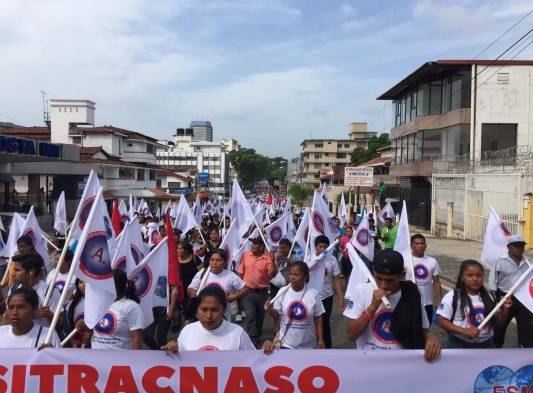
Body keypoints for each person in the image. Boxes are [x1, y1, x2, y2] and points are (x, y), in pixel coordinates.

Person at [344, 249, 441, 361]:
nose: (383, 285)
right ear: (373, 272)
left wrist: (431, 337)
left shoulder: (411, 292)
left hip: (402, 362)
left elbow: (423, 328)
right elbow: (351, 335)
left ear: (402, 275)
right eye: (379, 278)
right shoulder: (361, 290)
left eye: (390, 280)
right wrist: (372, 308)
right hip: (369, 361)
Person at [437, 260, 512, 348]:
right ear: (462, 277)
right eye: (470, 275)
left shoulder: (489, 297)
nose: (475, 279)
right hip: (459, 344)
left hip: (486, 345)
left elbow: (498, 323)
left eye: (479, 275)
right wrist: (464, 331)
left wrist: (505, 309)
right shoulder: (452, 296)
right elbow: (442, 321)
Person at [161, 286, 255, 352]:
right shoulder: (187, 331)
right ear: (197, 310)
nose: (209, 315)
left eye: (214, 310)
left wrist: (267, 352)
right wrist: (173, 349)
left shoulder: (238, 333)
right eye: (204, 309)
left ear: (223, 309)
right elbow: (180, 363)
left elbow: (254, 362)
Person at [263, 261, 325, 351]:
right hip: (286, 344)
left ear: (305, 276)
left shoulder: (313, 294)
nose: (292, 277)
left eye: (296, 275)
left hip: (308, 345)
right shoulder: (282, 292)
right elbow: (277, 315)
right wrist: (270, 310)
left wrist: (321, 338)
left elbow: (318, 317)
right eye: (291, 274)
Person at [489, 235, 533, 348]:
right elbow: (492, 281)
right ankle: (496, 348)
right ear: (509, 247)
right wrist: (495, 297)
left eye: (522, 245)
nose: (519, 248)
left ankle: (524, 350)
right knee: (500, 325)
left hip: (523, 298)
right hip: (505, 297)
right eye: (516, 246)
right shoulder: (499, 261)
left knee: (527, 328)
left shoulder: (529, 262)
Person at [188, 249, 248, 322]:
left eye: (218, 260)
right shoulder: (203, 273)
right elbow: (190, 289)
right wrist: (195, 296)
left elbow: (245, 289)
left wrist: (233, 297)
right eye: (212, 260)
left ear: (225, 263)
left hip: (224, 319)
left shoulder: (230, 275)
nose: (214, 262)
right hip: (203, 318)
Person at [237, 237, 277, 347]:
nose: (252, 246)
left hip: (262, 292)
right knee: (250, 316)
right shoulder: (245, 256)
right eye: (252, 244)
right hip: (247, 292)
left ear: (262, 247)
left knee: (260, 316)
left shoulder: (268, 257)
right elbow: (240, 272)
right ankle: (252, 340)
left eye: (255, 244)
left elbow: (272, 274)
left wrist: (273, 260)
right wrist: (240, 287)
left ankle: (257, 333)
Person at [91, 269, 144, 349]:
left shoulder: (131, 307)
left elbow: (137, 338)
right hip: (96, 359)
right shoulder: (98, 303)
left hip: (120, 360)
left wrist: (137, 360)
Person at [7, 252, 61, 327]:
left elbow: (60, 323)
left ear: (31, 272)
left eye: (17, 270)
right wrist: (33, 314)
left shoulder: (50, 291)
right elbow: (7, 316)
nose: (13, 273)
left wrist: (49, 315)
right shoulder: (13, 289)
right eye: (13, 270)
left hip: (42, 337)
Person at [315, 235, 345, 348]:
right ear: (315, 247)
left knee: (325, 324)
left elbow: (336, 279)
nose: (322, 249)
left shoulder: (332, 259)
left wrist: (341, 297)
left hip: (327, 297)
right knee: (312, 324)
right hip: (313, 297)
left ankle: (327, 349)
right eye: (320, 246)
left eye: (325, 247)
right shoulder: (309, 258)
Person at [410, 234, 442, 322]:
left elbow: (436, 282)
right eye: (416, 243)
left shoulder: (432, 261)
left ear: (425, 245)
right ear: (411, 245)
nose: (420, 246)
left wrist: (439, 301)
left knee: (426, 328)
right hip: (410, 302)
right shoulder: (406, 260)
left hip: (427, 303)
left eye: (422, 243)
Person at [170, 241, 202, 324]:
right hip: (180, 292)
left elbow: (202, 274)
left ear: (186, 250)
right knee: (185, 312)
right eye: (177, 248)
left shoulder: (195, 259)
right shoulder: (175, 260)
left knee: (191, 313)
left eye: (180, 248)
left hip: (193, 291)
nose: (177, 250)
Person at [65, 279, 91, 348]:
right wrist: (73, 343)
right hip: (77, 346)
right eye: (81, 282)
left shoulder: (100, 305)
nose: (84, 285)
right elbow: (68, 328)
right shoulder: (72, 305)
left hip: (94, 346)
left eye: (87, 282)